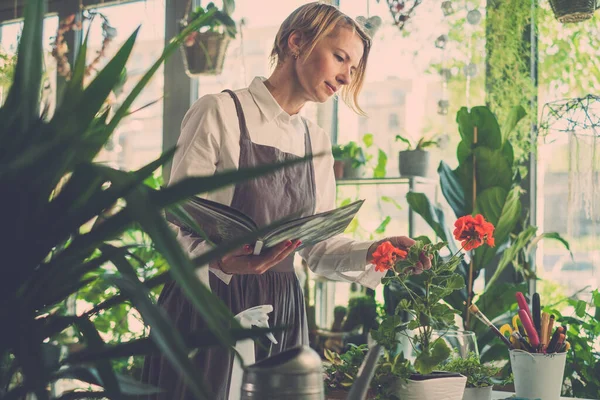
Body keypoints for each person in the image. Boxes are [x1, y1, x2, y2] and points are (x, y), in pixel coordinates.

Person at [141, 2, 431, 399]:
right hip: (207, 303)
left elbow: (318, 249)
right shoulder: (221, 112)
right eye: (340, 57)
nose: (347, 76)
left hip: (282, 315)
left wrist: (376, 251)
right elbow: (175, 223)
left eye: (355, 67)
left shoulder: (317, 142)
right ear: (297, 42)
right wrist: (222, 259)